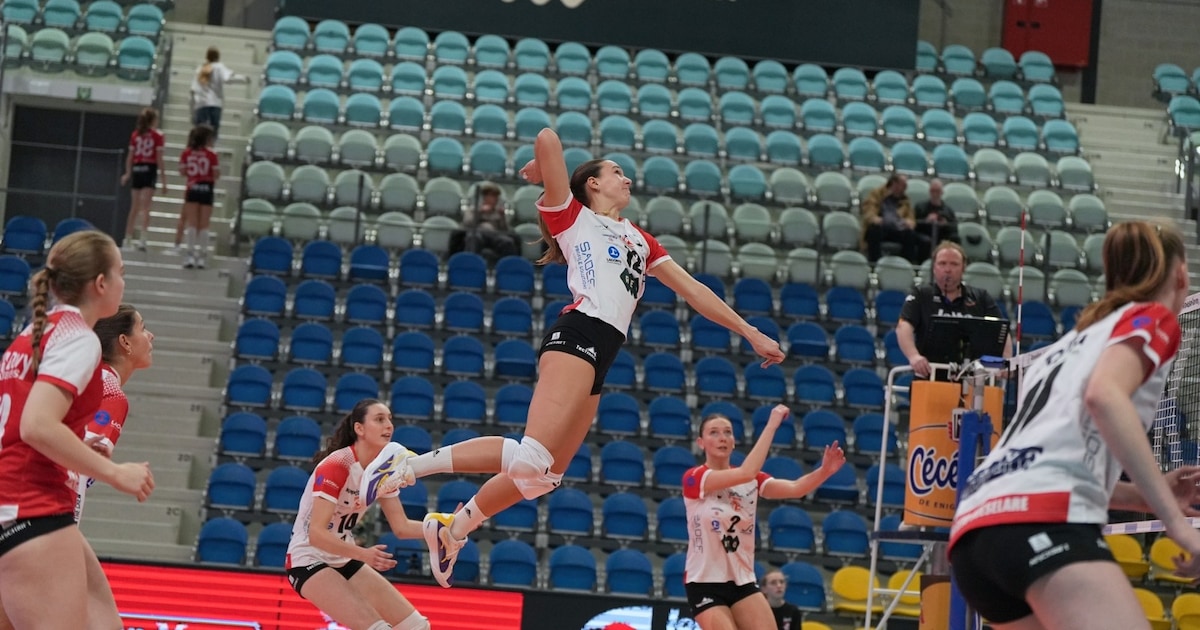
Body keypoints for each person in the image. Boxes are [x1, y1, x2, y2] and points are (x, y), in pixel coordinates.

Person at [379, 128, 785, 588]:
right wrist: (543, 169)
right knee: (531, 457)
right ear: (592, 183)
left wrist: (749, 331)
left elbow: (694, 290)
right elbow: (549, 137)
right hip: (579, 332)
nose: (627, 179)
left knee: (543, 478)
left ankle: (453, 529)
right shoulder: (572, 217)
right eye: (616, 171)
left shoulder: (641, 239)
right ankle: (407, 464)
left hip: (604, 349)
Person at [949, 221, 1200, 630]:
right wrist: (1178, 524)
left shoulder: (1069, 343)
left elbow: (1048, 462)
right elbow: (1104, 396)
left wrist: (1145, 497)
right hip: (1038, 523)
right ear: (1180, 275)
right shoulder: (1153, 319)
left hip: (976, 534)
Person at [0, 230, 154, 629]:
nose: (123, 281)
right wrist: (116, 472)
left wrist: (80, 448)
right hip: (32, 509)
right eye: (120, 272)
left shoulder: (32, 334)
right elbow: (37, 425)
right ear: (101, 283)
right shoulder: (80, 341)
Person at [683, 407, 844, 630]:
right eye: (714, 433)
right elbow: (745, 472)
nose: (722, 438)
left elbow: (796, 488)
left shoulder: (752, 480)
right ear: (701, 442)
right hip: (704, 583)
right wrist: (772, 425)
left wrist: (825, 471)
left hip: (742, 581)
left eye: (727, 432)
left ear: (734, 441)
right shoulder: (694, 478)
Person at [286, 399, 430, 630]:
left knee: (416, 626)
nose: (389, 426)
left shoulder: (384, 469)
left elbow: (402, 527)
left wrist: (450, 526)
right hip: (309, 558)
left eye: (390, 419)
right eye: (380, 419)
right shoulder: (337, 464)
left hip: (344, 556)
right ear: (359, 429)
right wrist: (362, 554)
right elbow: (316, 534)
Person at [896, 241, 1010, 378]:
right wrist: (914, 356)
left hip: (974, 381)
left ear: (963, 268)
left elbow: (1001, 330)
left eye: (954, 264)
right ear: (934, 268)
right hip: (929, 377)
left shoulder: (981, 298)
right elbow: (903, 326)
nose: (948, 269)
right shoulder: (921, 295)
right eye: (942, 263)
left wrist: (1005, 360)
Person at [119, 107, 167, 251]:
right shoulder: (157, 136)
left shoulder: (136, 135)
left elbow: (130, 157)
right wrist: (164, 179)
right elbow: (159, 158)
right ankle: (142, 239)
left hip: (137, 169)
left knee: (134, 207)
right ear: (153, 120)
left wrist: (127, 173)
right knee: (145, 207)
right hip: (149, 169)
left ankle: (128, 238)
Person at [179, 124, 220, 270]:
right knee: (204, 224)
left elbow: (182, 171)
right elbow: (216, 174)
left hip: (192, 188)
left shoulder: (187, 153)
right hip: (207, 188)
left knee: (192, 223)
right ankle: (202, 256)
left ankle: (190, 254)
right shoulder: (212, 154)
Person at [448, 181, 520, 262]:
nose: (496, 199)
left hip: (494, 235)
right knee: (472, 238)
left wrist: (502, 217)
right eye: (492, 196)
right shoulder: (473, 209)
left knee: (508, 242)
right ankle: (470, 263)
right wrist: (480, 212)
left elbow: (505, 230)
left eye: (496, 196)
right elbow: (467, 223)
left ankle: (508, 267)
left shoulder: (498, 212)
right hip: (478, 234)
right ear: (485, 197)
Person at [190, 47, 247, 139]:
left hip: (201, 104)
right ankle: (211, 148)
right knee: (213, 132)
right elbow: (227, 79)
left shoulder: (200, 69)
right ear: (218, 57)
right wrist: (243, 78)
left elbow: (193, 90)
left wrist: (192, 111)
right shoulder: (219, 67)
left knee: (200, 132)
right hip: (215, 104)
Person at [860, 174, 919, 264]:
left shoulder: (905, 200)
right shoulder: (876, 194)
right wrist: (875, 218)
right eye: (903, 185)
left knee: (911, 234)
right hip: (881, 227)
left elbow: (911, 219)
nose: (905, 188)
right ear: (894, 184)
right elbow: (869, 211)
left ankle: (906, 264)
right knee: (873, 230)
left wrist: (909, 223)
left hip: (897, 229)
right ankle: (874, 264)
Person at [912, 178, 958, 261]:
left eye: (937, 191)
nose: (935, 194)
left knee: (954, 239)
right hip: (925, 235)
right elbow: (913, 225)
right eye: (932, 191)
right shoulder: (920, 207)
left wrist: (945, 224)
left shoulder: (948, 210)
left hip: (942, 235)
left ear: (942, 192)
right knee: (925, 241)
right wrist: (926, 221)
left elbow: (954, 228)